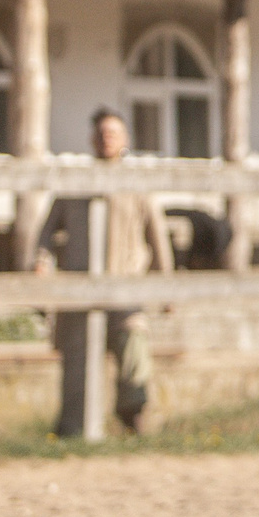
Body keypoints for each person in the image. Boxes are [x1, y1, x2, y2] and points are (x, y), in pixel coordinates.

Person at [89, 106, 170, 433]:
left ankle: (134, 419)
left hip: (127, 288)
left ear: (125, 139)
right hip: (86, 292)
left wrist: (167, 286)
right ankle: (79, 427)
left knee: (134, 352)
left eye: (113, 133)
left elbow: (158, 238)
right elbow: (48, 229)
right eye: (101, 133)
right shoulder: (77, 183)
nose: (106, 139)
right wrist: (40, 260)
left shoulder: (138, 186)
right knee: (82, 359)